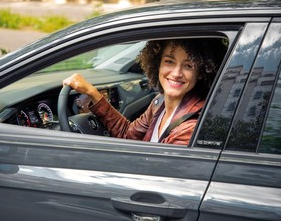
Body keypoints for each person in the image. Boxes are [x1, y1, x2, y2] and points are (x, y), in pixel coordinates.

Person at [63, 38, 226, 145]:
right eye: (169, 61)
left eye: (188, 65)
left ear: (202, 72)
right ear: (158, 64)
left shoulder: (189, 128)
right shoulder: (159, 102)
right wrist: (94, 94)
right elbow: (127, 134)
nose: (176, 73)